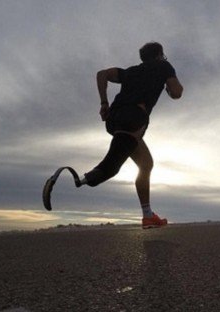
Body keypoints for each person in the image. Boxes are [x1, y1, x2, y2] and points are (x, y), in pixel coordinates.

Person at [43, 42, 183, 229]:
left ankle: (148, 215)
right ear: (159, 55)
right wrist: (167, 87)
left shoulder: (130, 72)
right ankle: (78, 180)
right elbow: (177, 92)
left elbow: (102, 74)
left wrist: (104, 103)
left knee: (145, 164)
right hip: (133, 118)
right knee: (111, 166)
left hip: (114, 119)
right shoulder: (163, 66)